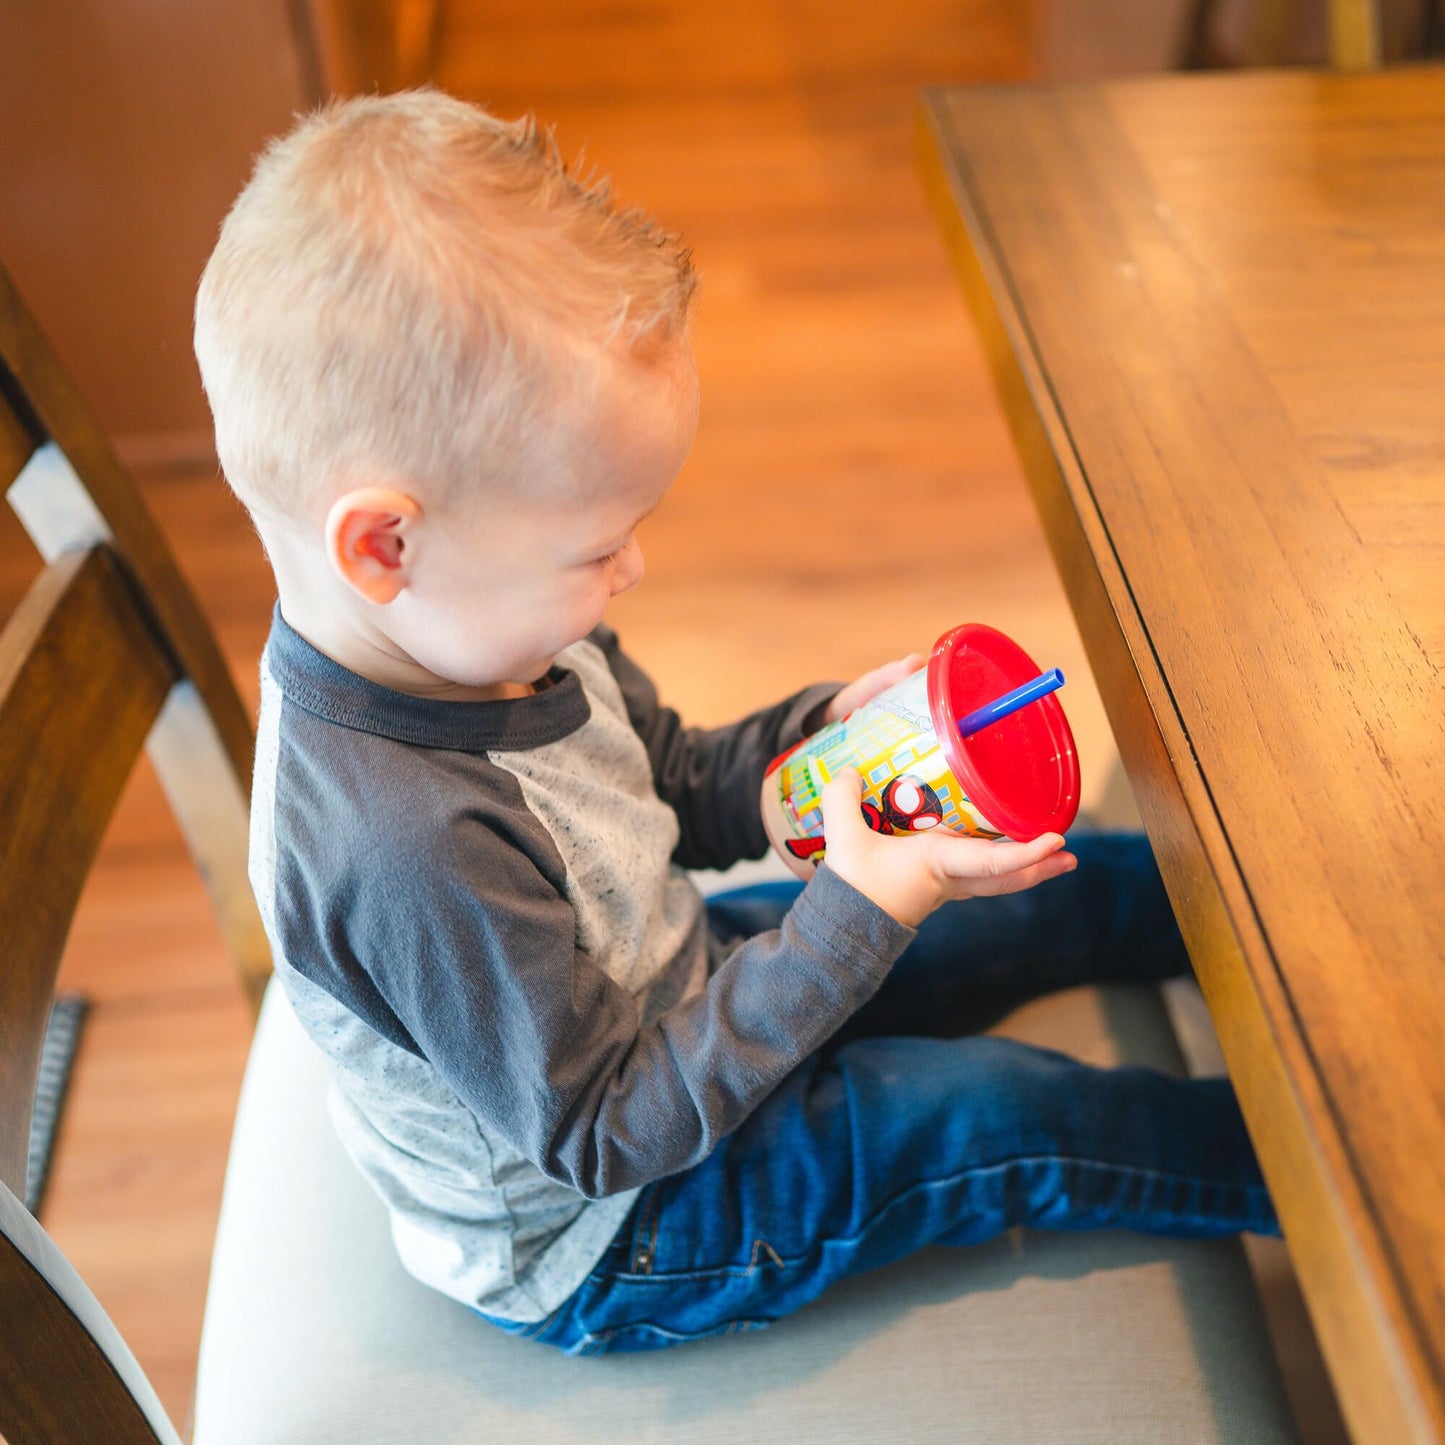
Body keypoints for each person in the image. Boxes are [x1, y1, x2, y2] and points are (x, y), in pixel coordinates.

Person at [193, 88, 1276, 1356]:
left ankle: (1287, 931)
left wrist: (807, 754)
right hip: (623, 1225)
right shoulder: (405, 850)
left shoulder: (479, 620)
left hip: (665, 992)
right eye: (597, 544)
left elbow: (663, 777)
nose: (631, 570)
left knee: (1053, 890)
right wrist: (853, 917)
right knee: (992, 1112)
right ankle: (1332, 1171)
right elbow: (607, 1131)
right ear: (385, 543)